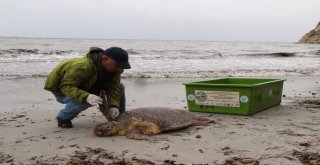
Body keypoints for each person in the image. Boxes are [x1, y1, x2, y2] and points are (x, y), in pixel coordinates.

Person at [44, 47, 131, 128]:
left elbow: (114, 87)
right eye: (117, 65)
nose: (119, 68)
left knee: (120, 86)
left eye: (121, 65)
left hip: (89, 85)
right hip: (62, 90)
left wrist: (114, 106)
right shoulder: (82, 66)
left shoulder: (115, 69)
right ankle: (63, 117)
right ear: (105, 59)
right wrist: (86, 96)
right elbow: (66, 86)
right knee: (89, 99)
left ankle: (120, 117)